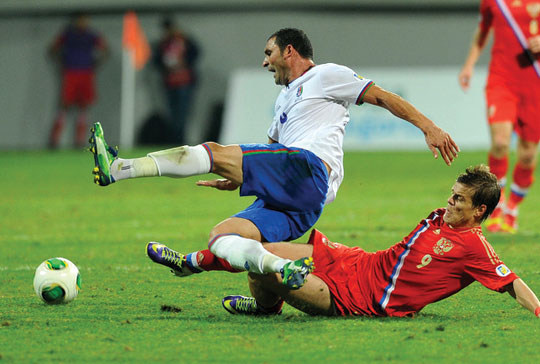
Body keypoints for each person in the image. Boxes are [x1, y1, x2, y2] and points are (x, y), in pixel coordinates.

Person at [91, 28, 459, 288]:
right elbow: (269, 150)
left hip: (307, 170)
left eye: (268, 53)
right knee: (224, 238)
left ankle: (119, 168)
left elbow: (383, 97)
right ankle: (267, 285)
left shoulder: (327, 75)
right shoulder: (284, 100)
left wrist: (428, 127)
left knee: (211, 151)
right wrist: (237, 176)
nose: (265, 63)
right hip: (299, 198)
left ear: (289, 51)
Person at [215, 165, 540, 318]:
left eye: (459, 200)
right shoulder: (440, 216)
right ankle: (264, 305)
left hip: (357, 298)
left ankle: (264, 307)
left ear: (480, 210)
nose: (450, 202)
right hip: (355, 261)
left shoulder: (474, 247)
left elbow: (511, 282)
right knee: (259, 252)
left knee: (261, 270)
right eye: (452, 194)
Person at [458, 0, 540, 233]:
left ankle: (512, 208)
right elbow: (482, 32)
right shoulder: (494, 3)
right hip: (501, 80)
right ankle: (499, 202)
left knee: (527, 156)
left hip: (535, 82)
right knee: (501, 142)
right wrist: (469, 65)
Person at [49, 12, 108, 148]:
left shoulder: (91, 35)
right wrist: (63, 63)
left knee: (83, 107)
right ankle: (54, 140)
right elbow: (52, 49)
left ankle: (79, 141)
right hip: (71, 74)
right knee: (65, 106)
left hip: (85, 74)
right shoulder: (68, 35)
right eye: (80, 20)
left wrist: (95, 64)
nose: (82, 23)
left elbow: (106, 49)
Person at [154, 18, 199, 144]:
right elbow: (157, 60)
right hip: (170, 83)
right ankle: (174, 141)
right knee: (173, 115)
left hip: (184, 82)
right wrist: (165, 68)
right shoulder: (163, 44)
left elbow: (195, 54)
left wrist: (185, 63)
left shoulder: (184, 40)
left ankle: (181, 141)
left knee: (182, 115)